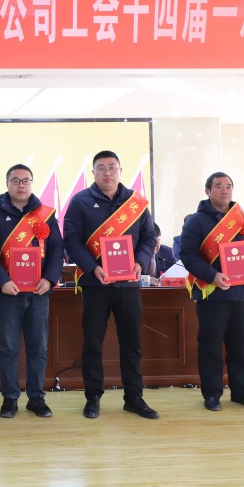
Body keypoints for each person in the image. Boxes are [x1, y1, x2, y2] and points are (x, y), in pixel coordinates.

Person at [63, 150, 159, 420]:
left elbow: (148, 237)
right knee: (93, 343)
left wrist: (140, 262)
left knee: (132, 343)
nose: (107, 172)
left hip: (128, 284)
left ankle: (134, 398)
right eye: (102, 168)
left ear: (120, 170)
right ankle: (92, 398)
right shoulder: (80, 201)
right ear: (93, 172)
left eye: (112, 167)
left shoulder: (135, 202)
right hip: (95, 284)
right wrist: (92, 267)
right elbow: (71, 240)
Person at [0, 164, 64, 418]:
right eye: (15, 180)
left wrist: (49, 279)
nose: (21, 185)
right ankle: (10, 398)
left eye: (26, 180)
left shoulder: (45, 214)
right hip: (9, 293)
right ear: (7, 184)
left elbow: (57, 250)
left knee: (38, 348)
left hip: (39, 292)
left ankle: (36, 398)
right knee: (8, 349)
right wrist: (3, 281)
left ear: (31, 184)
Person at [179, 172, 244, 411]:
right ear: (208, 191)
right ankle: (212, 394)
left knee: (240, 346)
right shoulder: (196, 221)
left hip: (242, 294)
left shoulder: (243, 220)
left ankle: (241, 392)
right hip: (212, 293)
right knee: (211, 346)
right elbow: (187, 254)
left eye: (228, 185)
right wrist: (212, 276)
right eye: (218, 186)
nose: (224, 190)